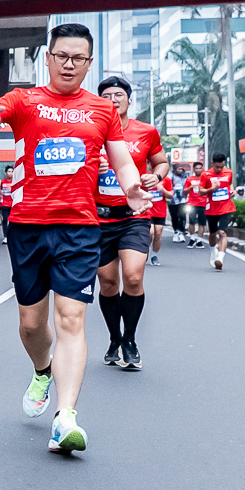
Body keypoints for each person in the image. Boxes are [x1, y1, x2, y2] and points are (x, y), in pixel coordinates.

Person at [0, 22, 151, 454]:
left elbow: (121, 160)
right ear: (48, 58)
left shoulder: (102, 110)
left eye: (78, 58)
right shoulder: (24, 101)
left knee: (70, 319)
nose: (69, 64)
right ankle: (42, 370)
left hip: (80, 228)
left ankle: (65, 417)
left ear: (88, 63)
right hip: (28, 226)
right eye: (61, 56)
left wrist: (132, 187)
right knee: (32, 324)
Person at [93, 76, 166, 371]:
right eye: (106, 96)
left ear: (129, 100)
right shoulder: (89, 131)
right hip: (99, 218)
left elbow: (161, 162)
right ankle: (115, 338)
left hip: (134, 216)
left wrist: (155, 176)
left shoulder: (145, 131)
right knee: (108, 283)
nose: (113, 100)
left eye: (118, 95)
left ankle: (130, 340)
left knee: (133, 277)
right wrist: (91, 166)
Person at [202, 152, 237, 270]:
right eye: (217, 167)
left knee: (222, 232)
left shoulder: (229, 172)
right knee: (212, 234)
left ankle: (220, 258)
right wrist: (212, 189)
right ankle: (213, 253)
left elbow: (230, 184)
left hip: (226, 206)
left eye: (221, 167)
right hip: (211, 208)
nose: (219, 169)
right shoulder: (206, 175)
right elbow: (201, 191)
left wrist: (232, 191)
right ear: (212, 163)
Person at [185, 161, 210, 246]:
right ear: (193, 169)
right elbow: (185, 191)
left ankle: (199, 240)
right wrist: (190, 187)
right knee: (191, 221)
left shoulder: (206, 179)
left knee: (202, 223)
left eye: (200, 168)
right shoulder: (189, 179)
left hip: (203, 203)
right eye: (196, 168)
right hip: (192, 203)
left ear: (202, 169)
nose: (198, 170)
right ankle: (192, 238)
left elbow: (209, 190)